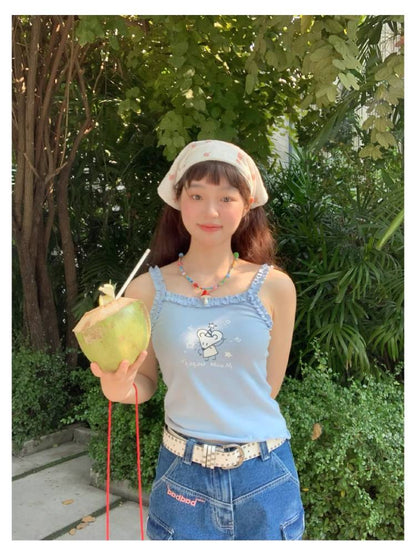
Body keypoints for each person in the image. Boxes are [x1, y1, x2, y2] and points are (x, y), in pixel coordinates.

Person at [90, 139, 305, 540]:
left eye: (226, 197)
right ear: (178, 200)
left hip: (264, 473)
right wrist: (116, 385)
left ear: (246, 205)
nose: (211, 211)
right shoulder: (144, 290)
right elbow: (143, 382)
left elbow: (268, 387)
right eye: (197, 195)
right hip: (182, 475)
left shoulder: (276, 287)